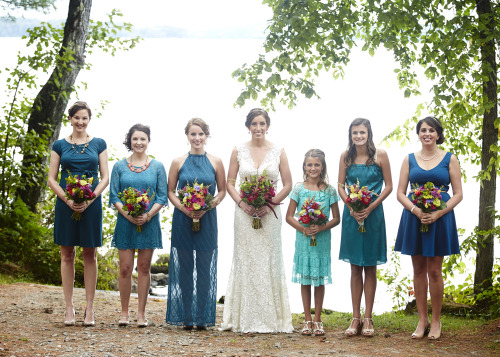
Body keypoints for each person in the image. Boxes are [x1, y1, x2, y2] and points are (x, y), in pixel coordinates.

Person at [220, 108, 293, 333]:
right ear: (248, 126)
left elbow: (288, 184)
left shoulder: (278, 151)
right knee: (247, 259)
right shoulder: (238, 150)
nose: (258, 128)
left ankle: (273, 319)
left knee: (269, 260)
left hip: (270, 214)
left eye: (262, 124)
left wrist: (269, 204)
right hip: (244, 213)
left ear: (268, 126)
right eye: (254, 124)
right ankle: (243, 318)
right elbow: (230, 182)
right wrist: (242, 203)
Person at [395, 116, 462, 340]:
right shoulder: (409, 159)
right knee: (418, 269)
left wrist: (438, 212)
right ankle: (422, 320)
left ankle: (436, 321)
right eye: (423, 130)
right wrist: (416, 210)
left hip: (440, 218)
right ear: (418, 133)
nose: (427, 134)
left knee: (434, 270)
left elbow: (458, 194)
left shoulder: (449, 159)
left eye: (431, 130)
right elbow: (400, 193)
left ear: (438, 134)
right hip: (414, 217)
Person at [48, 101, 109, 326]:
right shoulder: (59, 145)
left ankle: (90, 309)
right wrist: (67, 199)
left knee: (89, 254)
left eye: (84, 118)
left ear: (89, 120)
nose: (80, 122)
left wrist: (90, 198)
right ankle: (69, 308)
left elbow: (105, 178)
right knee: (67, 254)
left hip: (91, 204)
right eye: (76, 118)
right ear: (70, 119)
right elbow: (51, 179)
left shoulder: (99, 144)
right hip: (66, 202)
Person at [166, 118, 226, 330]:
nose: (197, 138)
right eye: (193, 134)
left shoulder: (216, 161)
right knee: (184, 268)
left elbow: (222, 191)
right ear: (187, 136)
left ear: (207, 136)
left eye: (201, 134)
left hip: (207, 219)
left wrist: (207, 206)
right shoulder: (178, 162)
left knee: (204, 267)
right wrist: (185, 208)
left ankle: (202, 316)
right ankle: (186, 317)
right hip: (183, 219)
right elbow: (170, 191)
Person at [338, 118, 393, 337]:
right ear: (350, 135)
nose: (358, 136)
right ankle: (355, 318)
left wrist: (370, 207)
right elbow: (341, 186)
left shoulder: (381, 155)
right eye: (354, 133)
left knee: (370, 266)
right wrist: (350, 205)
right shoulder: (345, 156)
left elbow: (388, 186)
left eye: (362, 132)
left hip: (373, 213)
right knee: (354, 267)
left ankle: (368, 317)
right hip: (352, 214)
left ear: (369, 133)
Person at [109, 124, 168, 328]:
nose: (139, 142)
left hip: (149, 223)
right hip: (125, 223)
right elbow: (114, 195)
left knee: (144, 268)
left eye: (143, 139)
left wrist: (147, 215)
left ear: (148, 141)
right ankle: (124, 312)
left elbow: (162, 196)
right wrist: (128, 215)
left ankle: (141, 314)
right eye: (135, 139)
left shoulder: (158, 166)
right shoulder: (119, 166)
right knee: (125, 268)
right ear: (130, 141)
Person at [285, 149, 340, 336]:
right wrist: (304, 228)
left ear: (322, 166)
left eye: (317, 165)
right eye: (309, 165)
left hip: (322, 239)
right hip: (304, 238)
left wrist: (322, 227)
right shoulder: (298, 189)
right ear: (304, 167)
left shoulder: (330, 190)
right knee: (306, 278)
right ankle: (307, 319)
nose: (313, 168)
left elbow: (336, 218)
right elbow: (289, 216)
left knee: (319, 279)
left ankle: (318, 319)